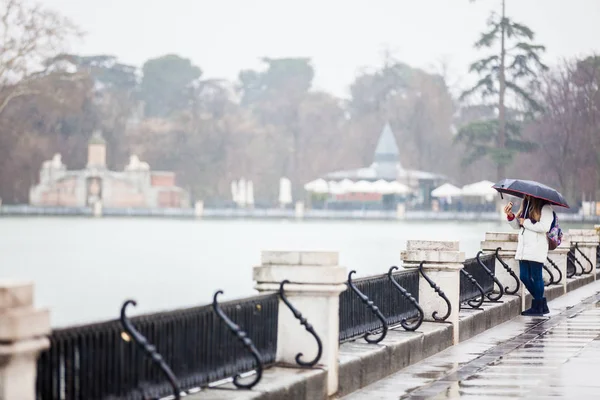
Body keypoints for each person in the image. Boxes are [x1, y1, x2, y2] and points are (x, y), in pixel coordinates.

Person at [503, 195, 554, 316]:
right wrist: (510, 215)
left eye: (528, 194)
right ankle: (541, 305)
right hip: (523, 248)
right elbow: (518, 226)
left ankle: (538, 307)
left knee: (536, 277)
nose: (526, 196)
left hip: (536, 247)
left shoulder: (545, 208)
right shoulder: (525, 205)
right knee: (524, 276)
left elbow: (544, 227)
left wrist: (524, 222)